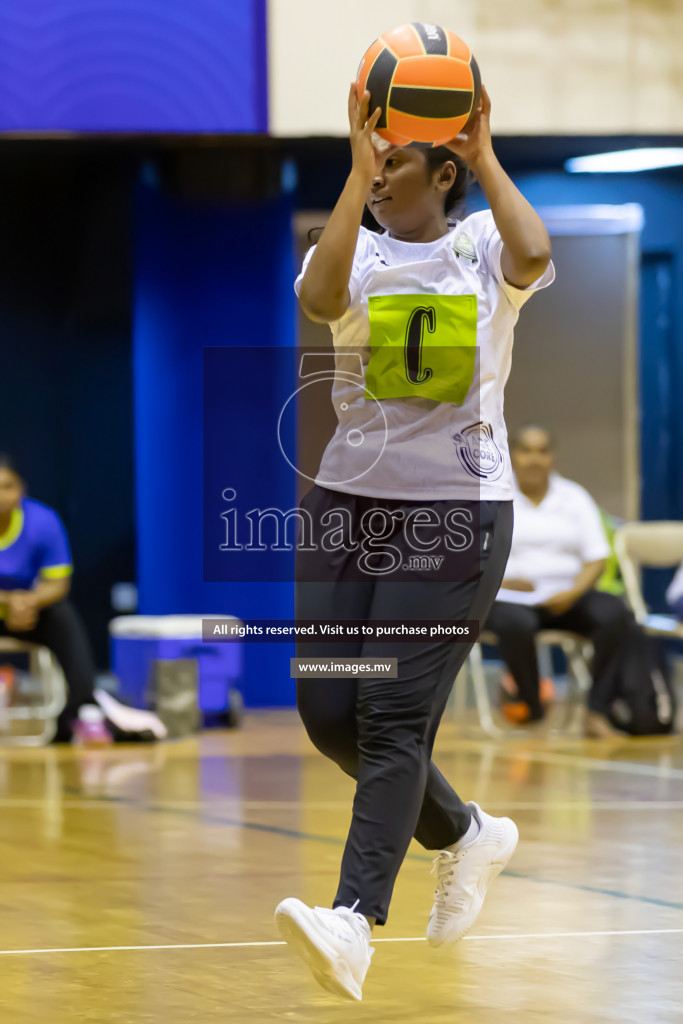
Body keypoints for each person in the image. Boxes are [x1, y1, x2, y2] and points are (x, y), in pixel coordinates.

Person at [274, 81, 554, 1001]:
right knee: (328, 716)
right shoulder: (349, 250)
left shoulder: (479, 248)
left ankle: (352, 921)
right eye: (375, 155)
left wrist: (482, 153)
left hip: (455, 515)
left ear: (442, 171)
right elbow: (317, 299)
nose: (382, 171)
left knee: (391, 716)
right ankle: (467, 834)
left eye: (396, 160)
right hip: (346, 508)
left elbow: (534, 249)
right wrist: (356, 181)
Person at [484, 425, 642, 737]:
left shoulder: (574, 496)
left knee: (615, 614)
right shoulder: (491, 496)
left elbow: (596, 558)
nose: (534, 459)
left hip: (567, 597)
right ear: (512, 455)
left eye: (542, 451)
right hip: (510, 598)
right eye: (526, 450)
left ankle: (596, 711)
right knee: (515, 623)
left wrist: (573, 593)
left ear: (551, 457)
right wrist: (503, 580)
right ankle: (533, 707)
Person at [0, 455, 166, 744]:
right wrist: (8, 601)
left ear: (21, 490)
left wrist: (27, 602)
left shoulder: (43, 522)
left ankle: (83, 709)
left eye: (7, 486)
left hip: (29, 613)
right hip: (9, 608)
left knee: (62, 616)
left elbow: (58, 584)